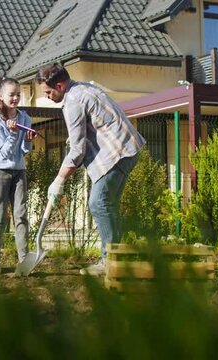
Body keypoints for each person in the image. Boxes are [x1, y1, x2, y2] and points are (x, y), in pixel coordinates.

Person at [35, 63, 146, 276]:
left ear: (59, 86)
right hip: (128, 148)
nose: (47, 96)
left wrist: (59, 180)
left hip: (117, 152)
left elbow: (77, 150)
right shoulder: (82, 88)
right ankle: (116, 258)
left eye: (48, 92)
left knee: (98, 203)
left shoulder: (73, 100)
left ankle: (109, 261)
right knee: (108, 204)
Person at [0, 77, 36, 274]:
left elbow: (23, 150)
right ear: (1, 96)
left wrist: (29, 141)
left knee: (21, 215)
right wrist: (14, 134)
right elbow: (5, 152)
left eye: (18, 94)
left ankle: (24, 259)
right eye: (11, 95)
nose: (15, 98)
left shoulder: (24, 118)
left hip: (19, 170)